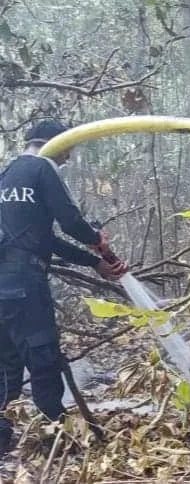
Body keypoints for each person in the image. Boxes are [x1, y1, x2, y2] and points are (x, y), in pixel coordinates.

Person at [0, 119, 128, 453]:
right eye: (68, 150)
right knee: (43, 360)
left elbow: (45, 240)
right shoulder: (43, 168)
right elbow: (70, 221)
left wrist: (95, 262)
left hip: (4, 285)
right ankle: (59, 439)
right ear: (58, 144)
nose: (68, 159)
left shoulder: (5, 174)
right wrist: (96, 241)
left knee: (6, 365)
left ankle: (2, 444)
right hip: (25, 285)